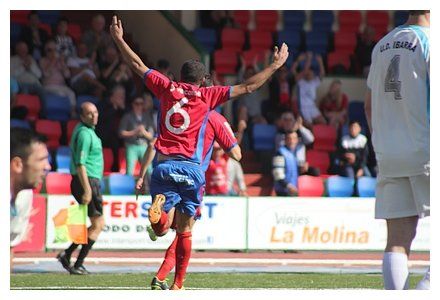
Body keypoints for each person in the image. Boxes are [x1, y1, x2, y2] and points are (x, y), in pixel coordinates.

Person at [110, 15, 288, 289]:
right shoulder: (208, 97)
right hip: (192, 169)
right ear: (203, 81)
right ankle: (178, 284)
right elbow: (249, 86)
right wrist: (275, 65)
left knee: (161, 227)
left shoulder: (166, 87)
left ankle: (158, 217)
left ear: (180, 77)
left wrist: (119, 39)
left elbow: (137, 64)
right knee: (184, 231)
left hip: (163, 164)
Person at [136, 110, 241, 290]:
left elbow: (154, 143)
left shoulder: (177, 111)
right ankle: (172, 281)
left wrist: (141, 176)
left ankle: (160, 275)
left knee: (163, 229)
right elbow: (236, 155)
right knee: (185, 231)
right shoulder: (214, 117)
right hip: (192, 176)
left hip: (166, 170)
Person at [364, 10, 430, 290]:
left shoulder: (381, 45)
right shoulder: (430, 41)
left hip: (389, 153)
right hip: (426, 147)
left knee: (398, 239)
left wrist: (382, 143)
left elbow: (368, 106)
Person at [57, 102, 105, 275]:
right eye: (89, 113)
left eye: (96, 112)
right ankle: (76, 262)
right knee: (98, 224)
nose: (94, 116)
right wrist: (87, 188)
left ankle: (68, 254)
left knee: (95, 224)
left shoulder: (86, 131)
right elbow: (80, 164)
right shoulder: (84, 134)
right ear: (82, 116)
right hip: (87, 180)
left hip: (88, 180)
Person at [10, 128, 51, 270]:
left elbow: (8, 248)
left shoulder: (24, 196)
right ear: (17, 165)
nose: (48, 167)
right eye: (41, 160)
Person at [118, 96, 155, 175]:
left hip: (144, 146)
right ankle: (128, 187)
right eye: (137, 104)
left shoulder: (147, 117)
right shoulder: (127, 116)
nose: (139, 106)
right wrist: (134, 132)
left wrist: (143, 132)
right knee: (129, 171)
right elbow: (121, 133)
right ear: (133, 104)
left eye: (141, 104)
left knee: (149, 170)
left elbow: (151, 136)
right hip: (131, 146)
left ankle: (148, 187)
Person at [40, 40, 76, 117]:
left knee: (71, 93)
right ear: (45, 51)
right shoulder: (43, 60)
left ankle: (72, 113)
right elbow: (45, 74)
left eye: (55, 50)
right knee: (61, 94)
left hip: (61, 86)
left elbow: (67, 75)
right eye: (50, 50)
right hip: (49, 86)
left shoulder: (60, 61)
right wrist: (53, 61)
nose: (52, 52)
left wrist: (62, 63)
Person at [96, 84, 126, 172]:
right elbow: (101, 118)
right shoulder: (103, 104)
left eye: (123, 95)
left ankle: (117, 170)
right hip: (102, 135)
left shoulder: (123, 108)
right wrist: (114, 108)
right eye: (120, 95)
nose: (122, 97)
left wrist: (122, 109)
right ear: (113, 95)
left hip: (116, 137)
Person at [291, 52, 327, 127]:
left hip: (312, 107)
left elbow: (322, 74)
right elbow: (293, 71)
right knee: (309, 125)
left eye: (311, 73)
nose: (309, 74)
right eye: (307, 73)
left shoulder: (314, 82)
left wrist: (320, 62)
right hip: (303, 108)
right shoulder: (301, 81)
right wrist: (309, 59)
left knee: (323, 122)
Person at [272, 130, 300, 196]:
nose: (292, 141)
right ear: (285, 140)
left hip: (293, 191)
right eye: (289, 139)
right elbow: (277, 174)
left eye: (294, 139)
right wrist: (288, 186)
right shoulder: (280, 153)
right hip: (283, 192)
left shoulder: (293, 153)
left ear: (297, 140)